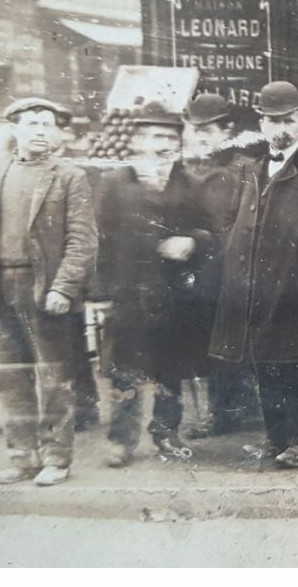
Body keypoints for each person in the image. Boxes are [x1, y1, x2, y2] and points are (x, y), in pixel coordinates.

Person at [0, 97, 96, 487]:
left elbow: (82, 241)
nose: (41, 131)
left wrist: (64, 287)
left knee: (55, 378)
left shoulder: (70, 176)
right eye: (33, 123)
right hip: (1, 287)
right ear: (15, 130)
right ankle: (22, 458)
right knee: (11, 378)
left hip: (44, 291)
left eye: (48, 124)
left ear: (56, 133)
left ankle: (56, 459)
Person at [208, 82, 298, 470]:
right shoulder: (248, 171)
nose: (281, 128)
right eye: (273, 121)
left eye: (288, 120)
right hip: (254, 287)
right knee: (264, 364)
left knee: (297, 365)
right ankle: (275, 436)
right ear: (262, 125)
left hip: (297, 285)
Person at [92, 104, 217, 467]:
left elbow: (213, 233)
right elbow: (101, 241)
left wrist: (193, 242)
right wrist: (100, 294)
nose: (161, 143)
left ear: (178, 143)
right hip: (129, 295)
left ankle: (166, 435)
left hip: (175, 296)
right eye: (153, 136)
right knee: (125, 370)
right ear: (137, 140)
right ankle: (121, 440)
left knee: (171, 372)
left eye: (168, 137)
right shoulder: (115, 183)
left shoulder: (190, 184)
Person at [180, 92, 260, 440]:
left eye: (208, 129)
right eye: (195, 129)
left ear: (227, 129)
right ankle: (234, 406)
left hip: (229, 266)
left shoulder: (242, 168)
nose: (200, 135)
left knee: (226, 342)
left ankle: (226, 411)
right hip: (197, 267)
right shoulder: (190, 166)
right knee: (206, 341)